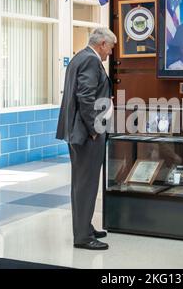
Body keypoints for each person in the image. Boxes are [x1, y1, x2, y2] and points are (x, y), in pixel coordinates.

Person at [56, 28, 117, 250]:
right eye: (110, 48)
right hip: (86, 134)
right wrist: (94, 128)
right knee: (86, 184)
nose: (109, 53)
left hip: (77, 132)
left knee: (82, 183)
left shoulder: (79, 57)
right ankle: (82, 236)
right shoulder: (91, 60)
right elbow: (85, 96)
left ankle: (85, 226)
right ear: (102, 43)